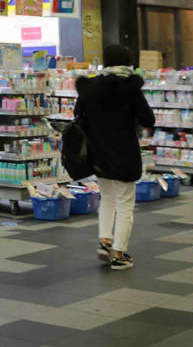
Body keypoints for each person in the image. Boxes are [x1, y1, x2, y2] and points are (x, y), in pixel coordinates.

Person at [74, 44, 155, 271]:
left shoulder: (90, 87)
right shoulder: (130, 88)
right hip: (123, 152)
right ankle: (119, 254)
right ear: (129, 64)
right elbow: (148, 118)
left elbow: (77, 114)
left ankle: (104, 241)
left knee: (107, 196)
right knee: (125, 202)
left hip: (98, 152)